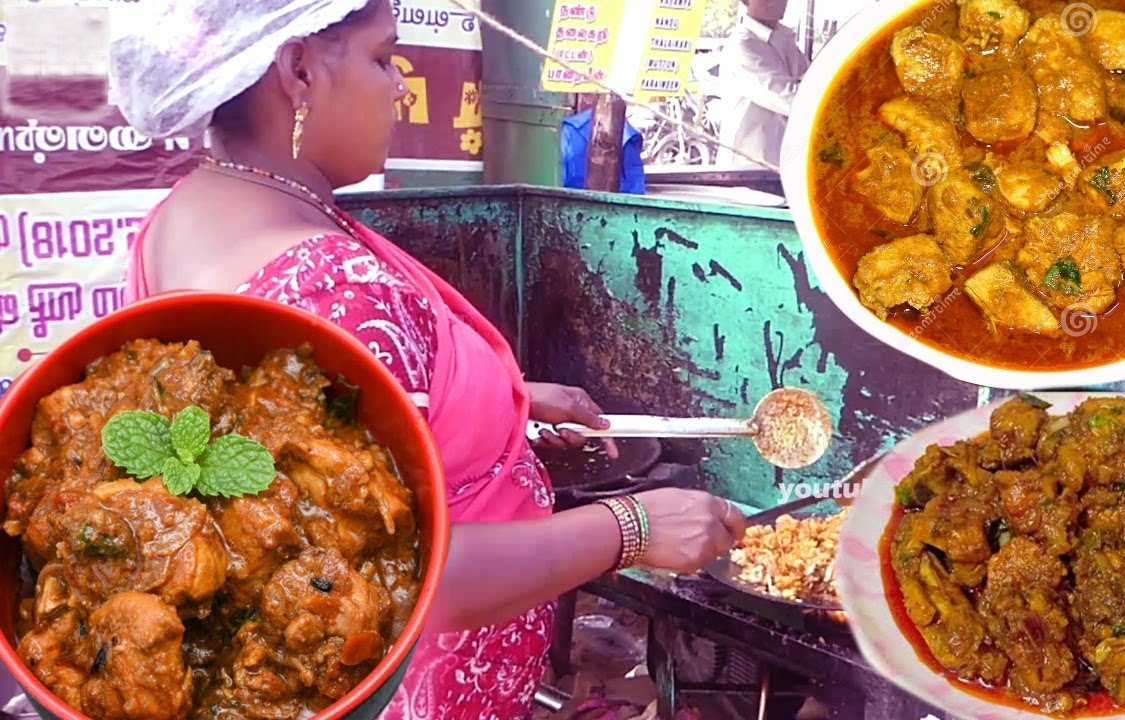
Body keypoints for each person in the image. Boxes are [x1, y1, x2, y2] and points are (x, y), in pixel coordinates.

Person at [106, 1, 747, 718]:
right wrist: (632, 527)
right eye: (383, 59)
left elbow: (297, 427)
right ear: (298, 70)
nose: (401, 87)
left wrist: (502, 396)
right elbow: (392, 582)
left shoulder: (195, 207)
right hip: (424, 687)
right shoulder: (333, 285)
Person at [715, 0, 809, 168]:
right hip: (749, 170)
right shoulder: (743, 45)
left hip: (783, 165)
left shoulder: (785, 41)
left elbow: (813, 80)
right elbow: (792, 100)